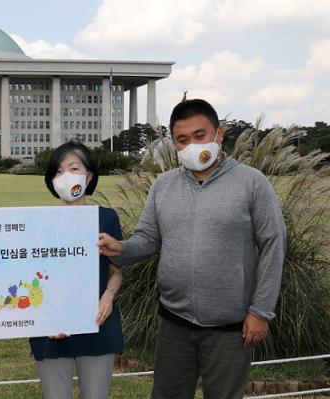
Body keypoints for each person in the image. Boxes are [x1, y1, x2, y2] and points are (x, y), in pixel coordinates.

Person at [98, 99, 286, 399]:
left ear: (218, 134)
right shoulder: (164, 185)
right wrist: (120, 248)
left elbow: (273, 245)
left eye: (200, 135)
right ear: (174, 143)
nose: (191, 145)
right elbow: (148, 239)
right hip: (174, 322)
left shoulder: (251, 182)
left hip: (230, 326)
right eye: (182, 140)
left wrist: (260, 311)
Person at [30, 141, 124, 399]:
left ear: (89, 175)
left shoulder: (107, 218)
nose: (65, 176)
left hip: (97, 322)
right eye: (58, 172)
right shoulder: (39, 223)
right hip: (51, 328)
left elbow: (116, 270)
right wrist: (46, 316)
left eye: (73, 168)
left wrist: (108, 296)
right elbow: (30, 278)